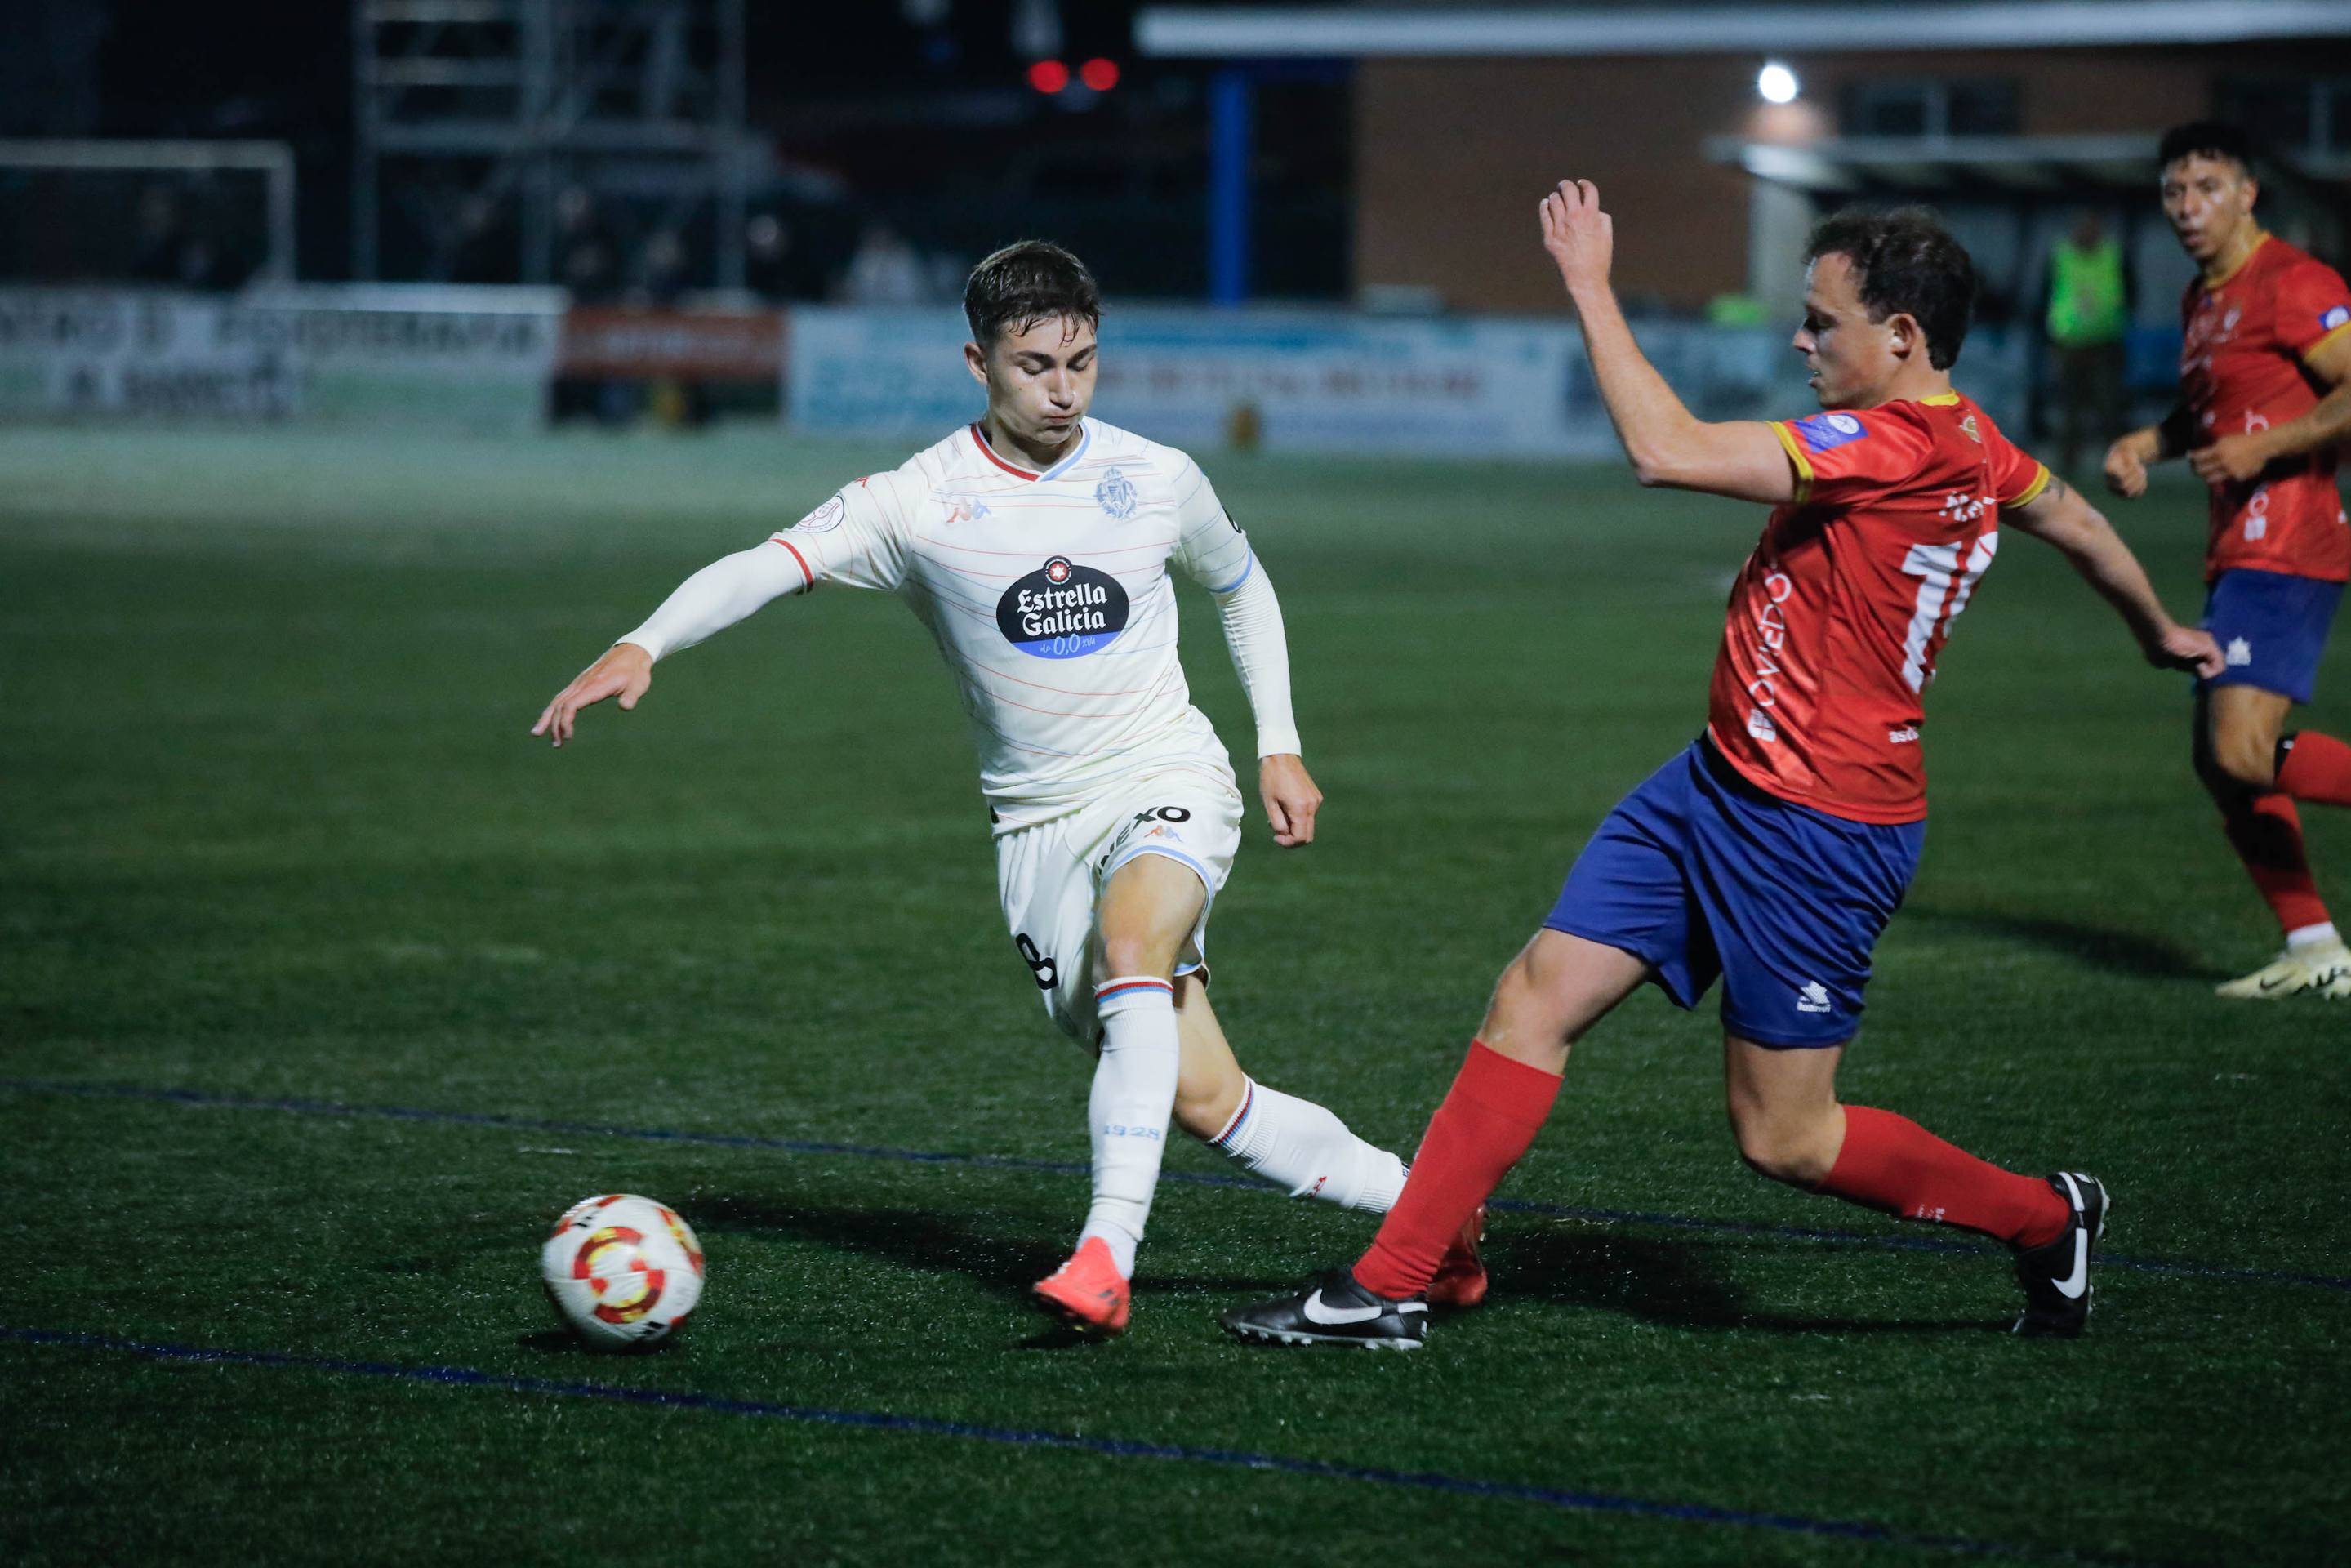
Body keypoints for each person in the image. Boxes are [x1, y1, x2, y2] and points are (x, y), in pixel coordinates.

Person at [1221, 185, 2222, 1351]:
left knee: (1783, 1138)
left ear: (1900, 338)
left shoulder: (1891, 443)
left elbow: (1665, 451)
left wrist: (1589, 286)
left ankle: (2043, 1218)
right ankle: (1392, 1282)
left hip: (1819, 831)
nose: (1798, 340)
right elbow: (2077, 522)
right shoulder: (1974, 440)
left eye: (1820, 321)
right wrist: (2153, 627)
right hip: (1711, 787)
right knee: (1531, 996)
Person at [531, 240, 1479, 1336]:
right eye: (1035, 365)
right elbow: (765, 563)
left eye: (1080, 360)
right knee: (1205, 1097)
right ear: (974, 360)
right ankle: (1435, 1227)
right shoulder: (917, 502)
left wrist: (1277, 742)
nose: (1062, 389)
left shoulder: (1154, 476)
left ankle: (1101, 1259)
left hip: (1163, 775)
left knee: (1135, 947)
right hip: (1035, 830)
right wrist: (642, 643)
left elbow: (1237, 581)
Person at [2104, 122, 2351, 1000]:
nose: (2185, 208)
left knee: (2239, 752)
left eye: (2205, 187)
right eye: (2173, 192)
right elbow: (2209, 410)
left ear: (2246, 193)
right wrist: (2145, 440)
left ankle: (2314, 942)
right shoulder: (2202, 299)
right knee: (2221, 762)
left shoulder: (2292, 282)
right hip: (2235, 549)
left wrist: (2265, 449)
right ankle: (2312, 944)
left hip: (2287, 541)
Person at [2042, 210, 2133, 477]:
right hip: (2068, 344)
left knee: (2109, 408)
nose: (2087, 232)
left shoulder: (2113, 256)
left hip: (2105, 344)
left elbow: (2130, 292)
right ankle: (2068, 466)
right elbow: (2045, 295)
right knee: (2070, 410)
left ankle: (2119, 466)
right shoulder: (2060, 256)